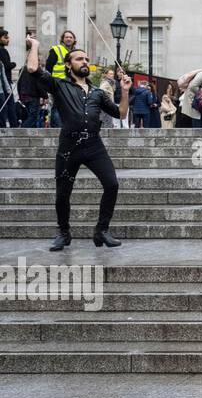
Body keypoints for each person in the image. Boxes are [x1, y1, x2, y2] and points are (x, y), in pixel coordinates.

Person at [24, 34, 131, 250]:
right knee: (63, 193)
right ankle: (64, 232)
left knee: (112, 184)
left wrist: (126, 91)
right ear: (68, 64)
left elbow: (120, 113)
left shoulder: (98, 93)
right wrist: (35, 45)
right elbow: (33, 69)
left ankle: (101, 230)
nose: (84, 62)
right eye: (79, 59)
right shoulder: (59, 85)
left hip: (94, 146)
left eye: (86, 59)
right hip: (69, 147)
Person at [0, 28, 19, 127]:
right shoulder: (2, 50)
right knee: (10, 103)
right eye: (5, 37)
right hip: (5, 81)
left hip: (3, 81)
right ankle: (14, 125)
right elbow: (7, 66)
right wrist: (14, 64)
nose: (8, 40)